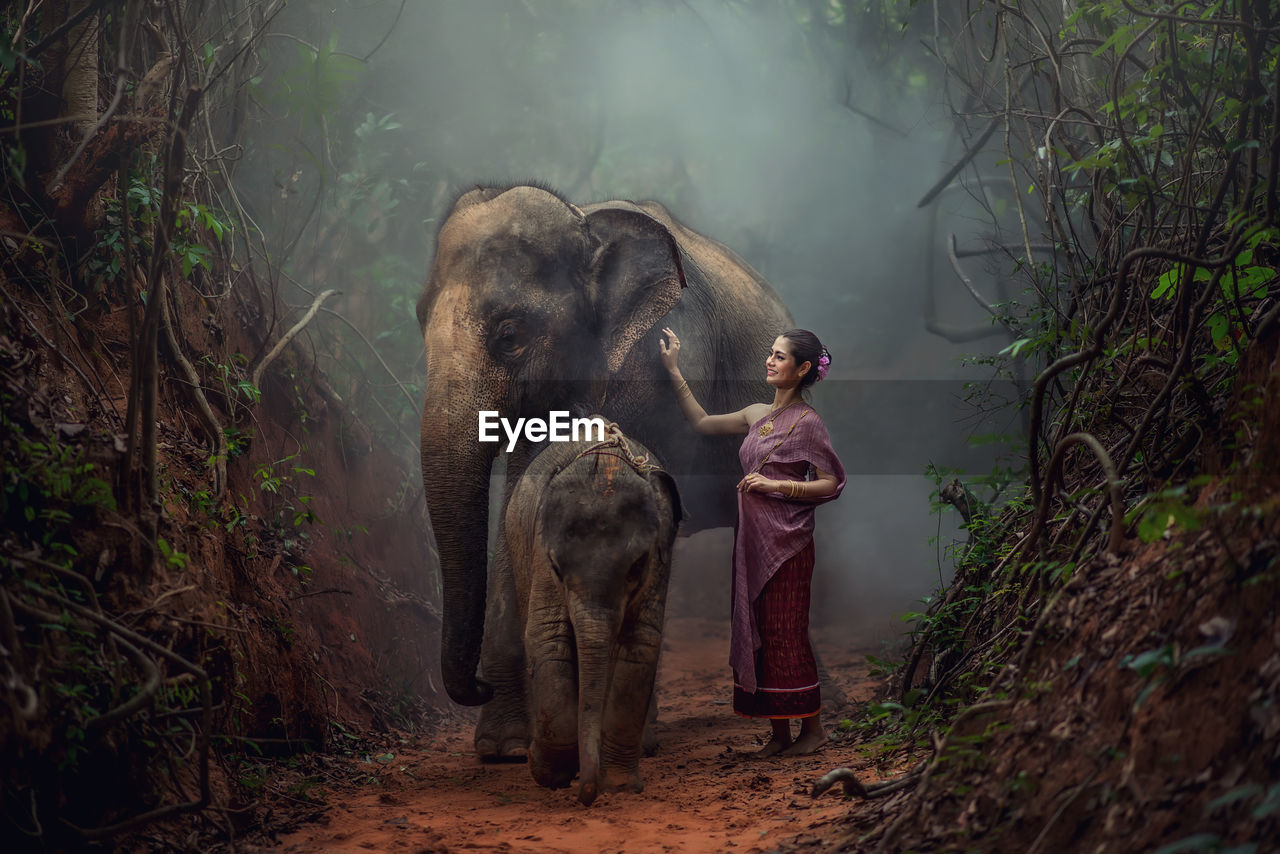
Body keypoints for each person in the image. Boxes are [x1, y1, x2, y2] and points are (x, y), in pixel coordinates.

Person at [658, 326, 846, 757]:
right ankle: (780, 735)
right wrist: (673, 369)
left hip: (789, 544)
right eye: (771, 353)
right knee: (760, 631)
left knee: (787, 632)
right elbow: (702, 421)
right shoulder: (754, 412)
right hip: (753, 540)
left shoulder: (809, 424)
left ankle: (813, 732)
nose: (770, 360)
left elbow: (832, 481)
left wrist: (778, 486)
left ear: (802, 370)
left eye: (780, 357)